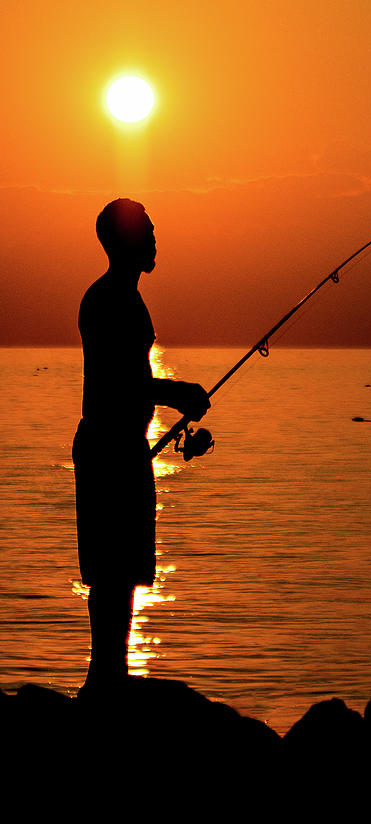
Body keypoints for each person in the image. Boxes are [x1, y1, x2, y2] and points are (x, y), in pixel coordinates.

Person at [73, 198, 210, 688]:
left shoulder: (122, 298)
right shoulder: (111, 300)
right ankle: (105, 679)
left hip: (120, 447)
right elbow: (121, 382)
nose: (155, 239)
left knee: (122, 572)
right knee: (112, 573)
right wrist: (179, 393)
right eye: (148, 230)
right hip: (110, 448)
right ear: (126, 240)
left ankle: (111, 675)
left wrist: (171, 398)